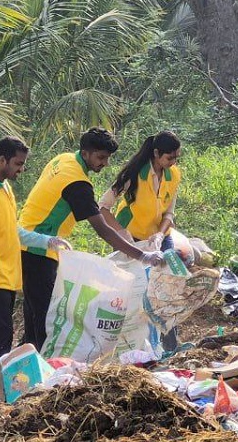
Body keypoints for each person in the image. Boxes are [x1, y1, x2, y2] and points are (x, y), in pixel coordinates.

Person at [17, 128, 166, 350]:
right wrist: (142, 255)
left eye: (107, 158)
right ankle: (38, 372)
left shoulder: (64, 159)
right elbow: (103, 230)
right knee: (45, 320)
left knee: (35, 314)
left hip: (27, 241)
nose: (104, 163)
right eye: (100, 157)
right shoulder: (77, 183)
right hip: (40, 249)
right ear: (85, 153)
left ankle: (21, 366)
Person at [0, 137, 71, 365]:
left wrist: (47, 241)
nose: (21, 169)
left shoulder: (4, 189)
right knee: (0, 331)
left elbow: (14, 231)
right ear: (2, 160)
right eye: (18, 163)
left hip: (7, 276)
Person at [99, 130, 183, 350]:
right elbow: (103, 207)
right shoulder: (134, 173)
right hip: (132, 240)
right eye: (169, 158)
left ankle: (169, 346)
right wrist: (121, 233)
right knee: (136, 292)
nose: (173, 162)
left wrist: (159, 234)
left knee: (168, 286)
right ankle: (134, 344)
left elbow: (169, 213)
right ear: (156, 153)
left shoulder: (173, 175)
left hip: (158, 238)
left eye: (176, 158)